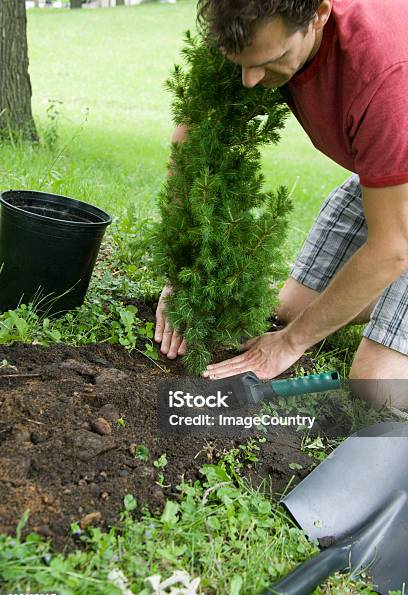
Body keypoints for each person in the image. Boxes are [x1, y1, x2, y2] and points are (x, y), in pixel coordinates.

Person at [155, 0, 408, 409]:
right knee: (293, 308)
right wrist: (182, 272)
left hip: (400, 178)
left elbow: (392, 246)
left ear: (320, 15)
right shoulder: (243, 23)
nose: (250, 80)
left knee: (378, 384)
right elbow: (192, 143)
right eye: (239, 63)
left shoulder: (388, 76)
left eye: (270, 61)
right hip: (390, 176)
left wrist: (290, 344)